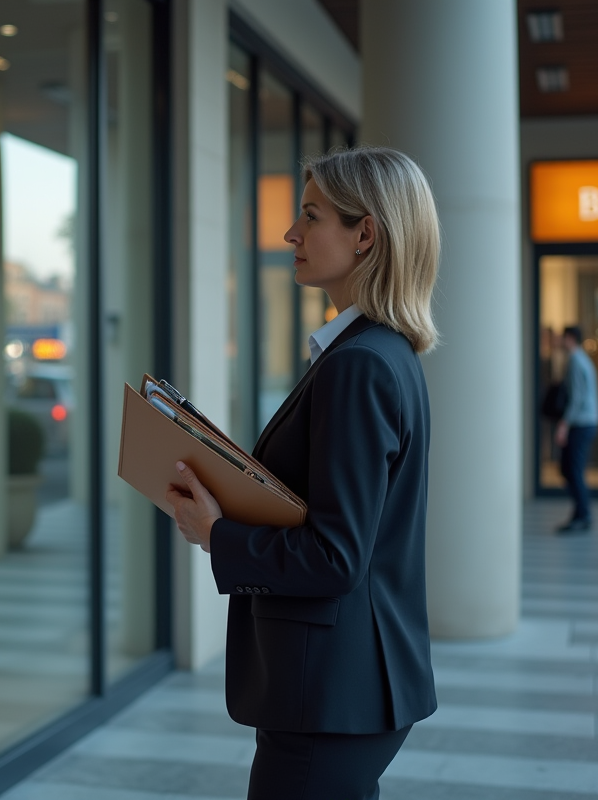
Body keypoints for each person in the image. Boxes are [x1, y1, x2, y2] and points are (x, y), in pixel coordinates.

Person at [166, 147, 438, 800]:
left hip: (330, 695)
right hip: (348, 688)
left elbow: (336, 556)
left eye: (310, 215)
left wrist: (217, 532)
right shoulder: (381, 352)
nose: (290, 233)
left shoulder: (358, 365)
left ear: (365, 233)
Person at [556, 326, 598, 532]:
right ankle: (580, 512)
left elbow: (577, 397)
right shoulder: (583, 359)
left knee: (572, 469)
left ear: (571, 338)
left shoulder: (575, 361)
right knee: (571, 469)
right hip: (587, 421)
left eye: (563, 337)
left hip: (581, 422)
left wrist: (564, 424)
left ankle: (583, 514)